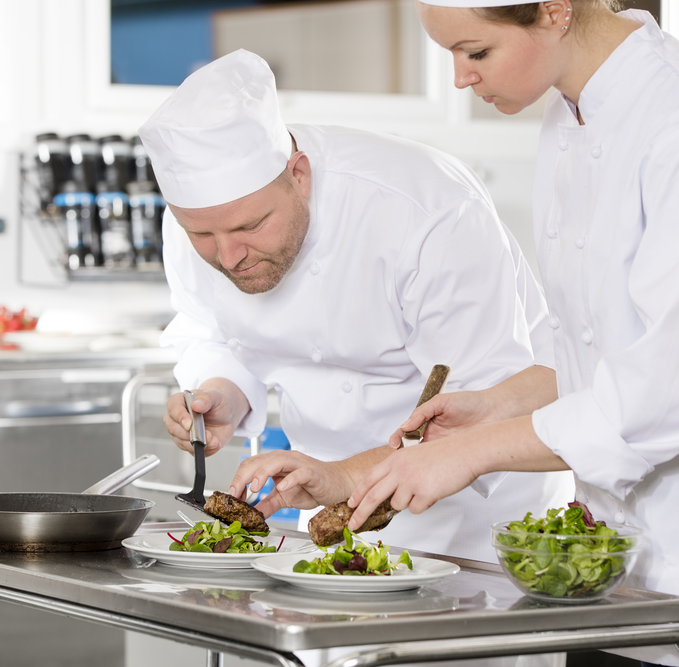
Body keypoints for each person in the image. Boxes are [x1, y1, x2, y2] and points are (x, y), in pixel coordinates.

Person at [250, 1, 679, 666]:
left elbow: (664, 397)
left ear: (554, 11)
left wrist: (473, 452)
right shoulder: (568, 118)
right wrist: (496, 405)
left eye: (476, 51)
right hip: (610, 583)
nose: (460, 78)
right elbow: (587, 346)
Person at [138, 48, 574, 563]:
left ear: (298, 174)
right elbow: (211, 329)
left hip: (472, 522)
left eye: (251, 227)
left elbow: (479, 405)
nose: (228, 255)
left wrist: (346, 474)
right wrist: (221, 397)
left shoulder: (425, 209)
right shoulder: (199, 214)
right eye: (202, 234)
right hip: (321, 507)